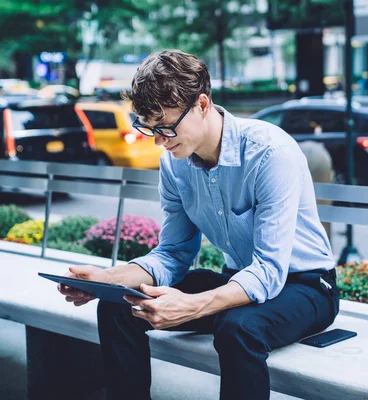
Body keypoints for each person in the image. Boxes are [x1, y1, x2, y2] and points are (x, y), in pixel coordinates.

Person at [58, 49, 339, 400]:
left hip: (307, 287)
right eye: (150, 129)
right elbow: (174, 253)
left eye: (166, 127)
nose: (159, 140)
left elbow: (269, 269)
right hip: (238, 281)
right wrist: (108, 280)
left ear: (202, 105)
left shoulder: (270, 153)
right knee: (119, 304)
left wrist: (192, 305)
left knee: (238, 327)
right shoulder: (174, 164)